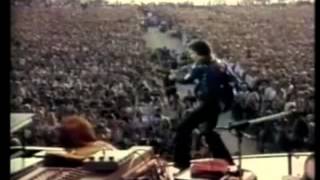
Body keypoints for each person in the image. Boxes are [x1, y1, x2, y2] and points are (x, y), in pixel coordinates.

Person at [169, 40, 235, 170]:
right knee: (208, 132)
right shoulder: (219, 63)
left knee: (183, 127)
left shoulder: (201, 66)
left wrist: (173, 77)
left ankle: (181, 162)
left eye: (192, 53)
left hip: (209, 103)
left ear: (199, 53)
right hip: (218, 103)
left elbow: (187, 79)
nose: (191, 56)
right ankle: (226, 161)